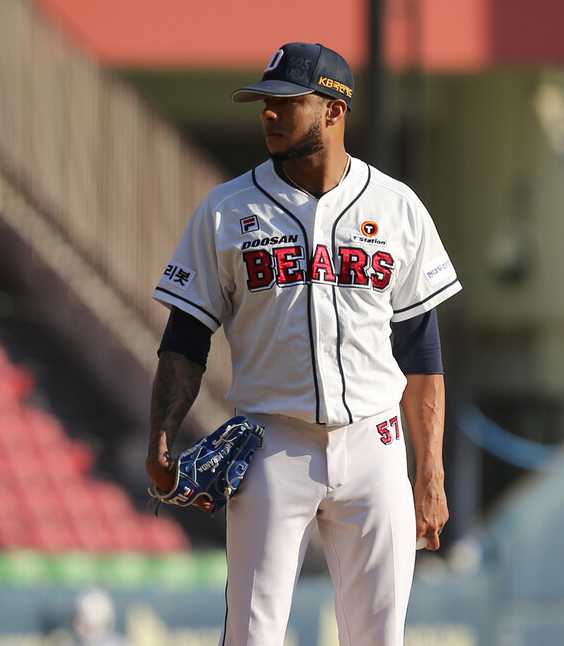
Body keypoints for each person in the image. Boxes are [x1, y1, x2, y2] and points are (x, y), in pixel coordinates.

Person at [145, 42, 462, 646]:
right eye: (265, 102)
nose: (269, 113)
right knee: (252, 636)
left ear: (334, 111)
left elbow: (422, 350)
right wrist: (160, 436)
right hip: (271, 443)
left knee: (379, 638)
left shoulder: (397, 207)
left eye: (287, 102)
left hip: (375, 442)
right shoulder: (227, 208)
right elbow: (185, 336)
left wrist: (431, 470)